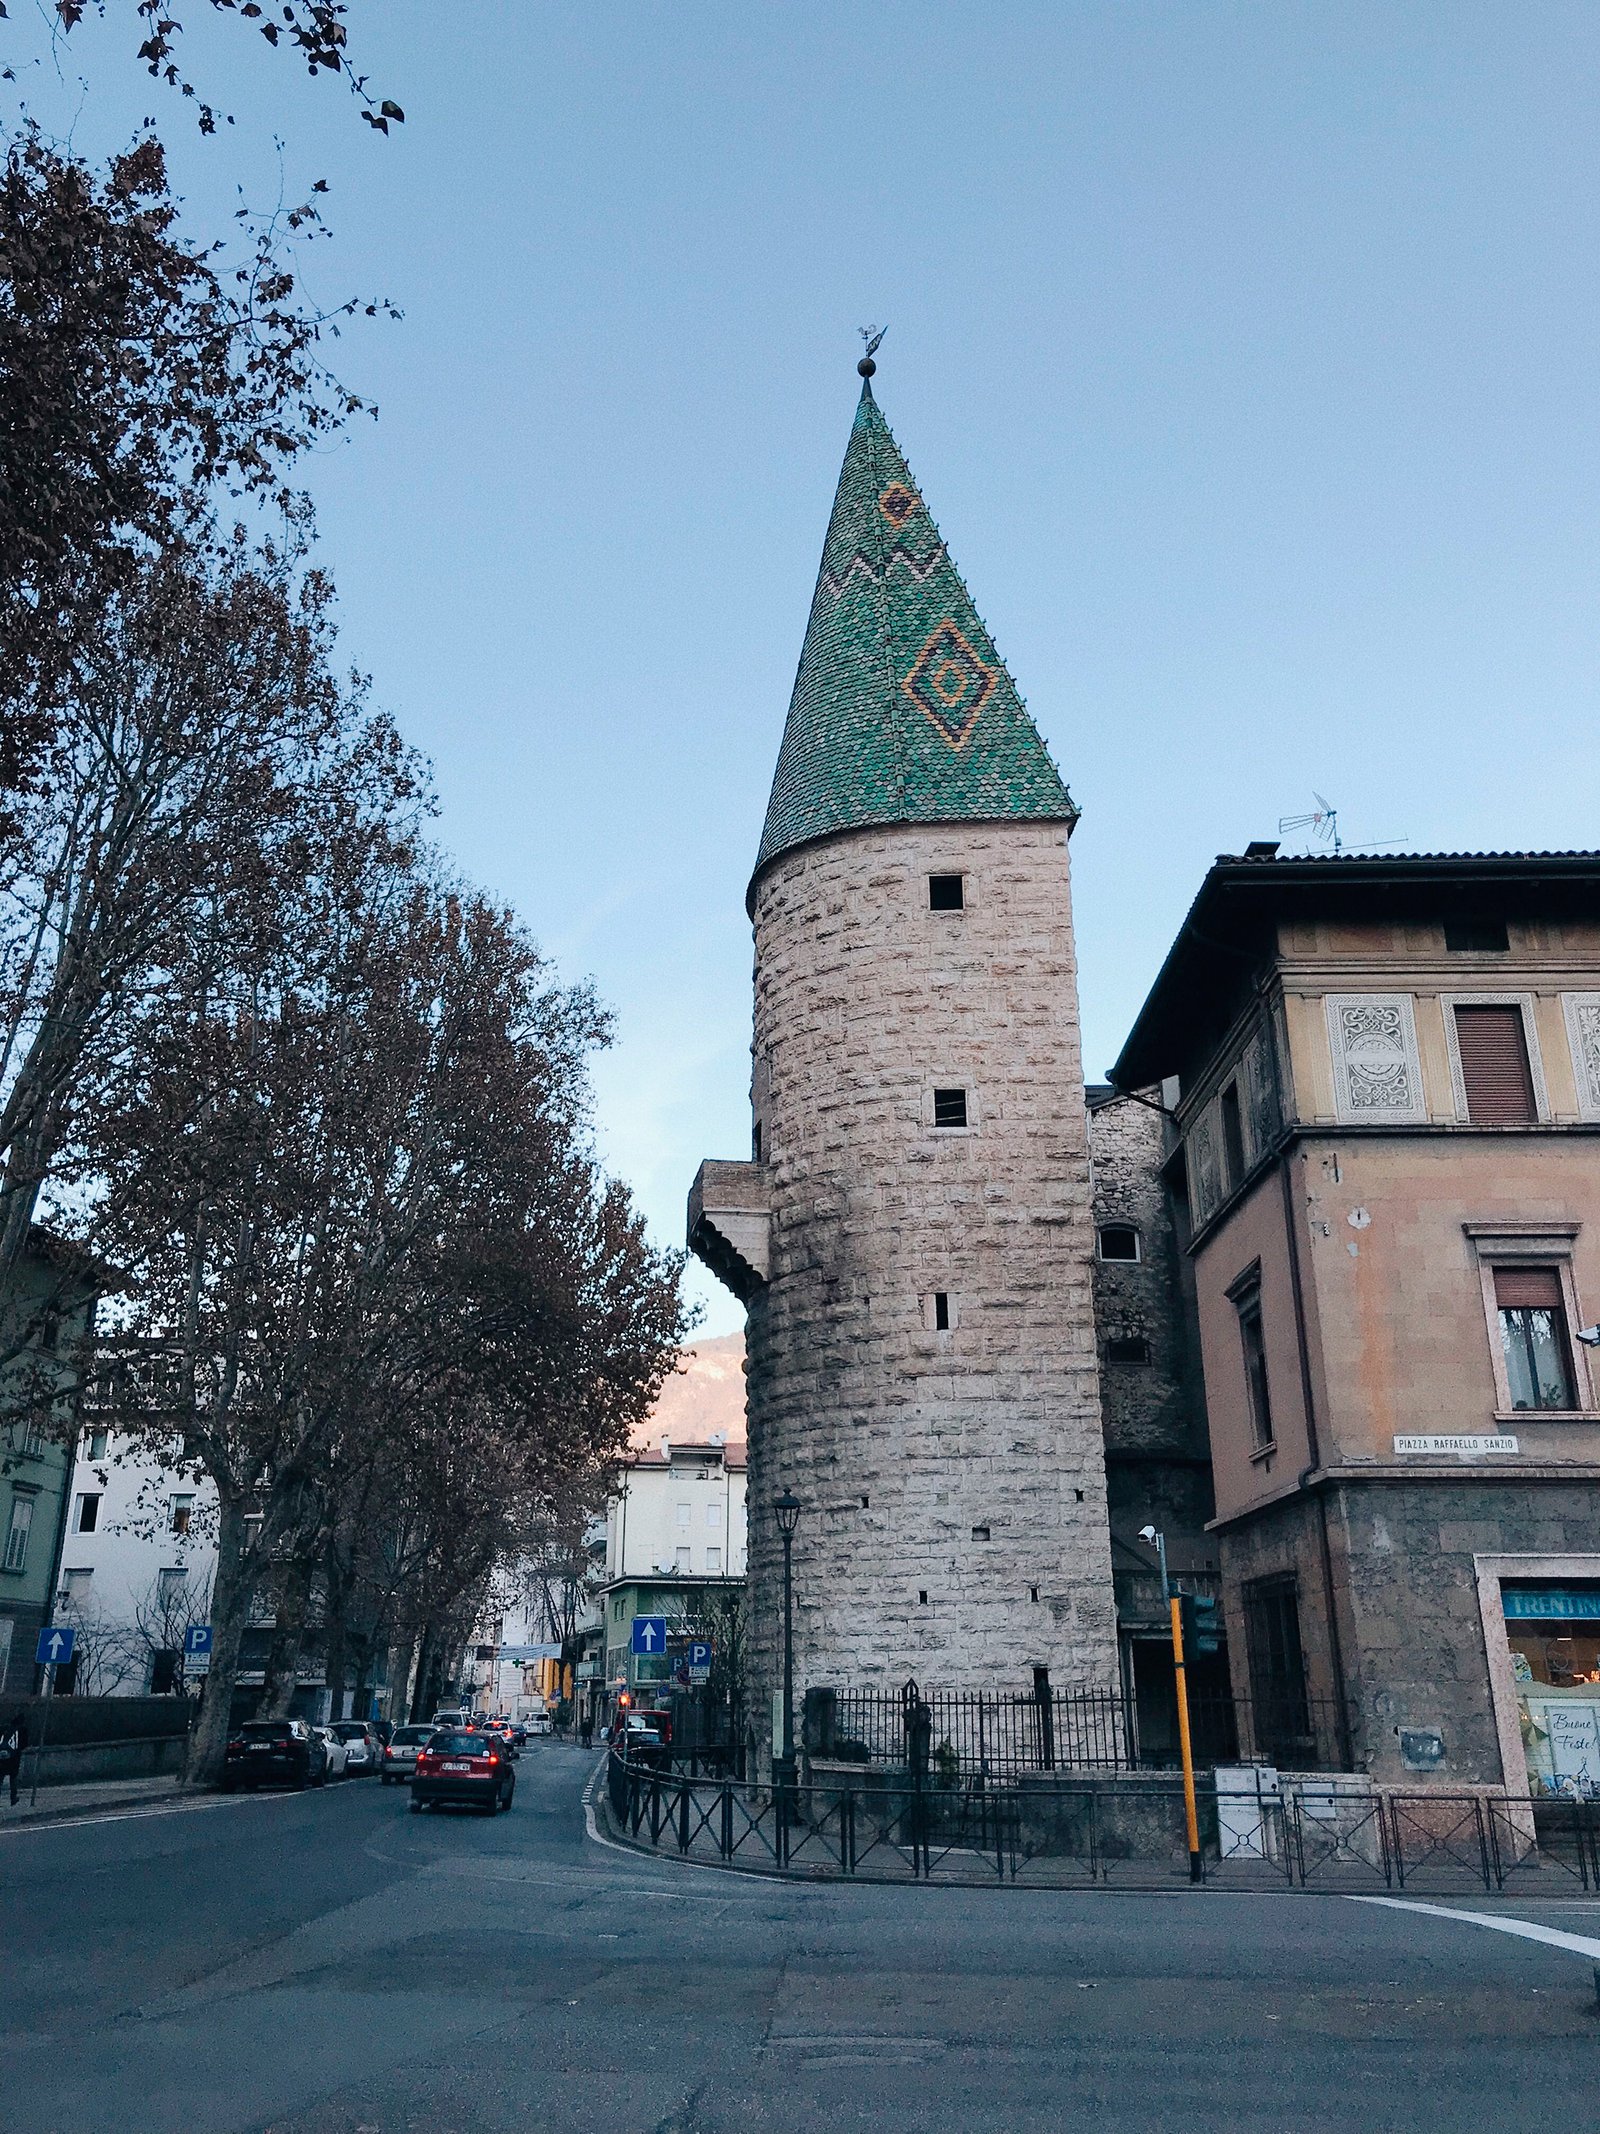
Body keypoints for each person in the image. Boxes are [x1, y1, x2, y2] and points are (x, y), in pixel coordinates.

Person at [0, 1711, 26, 1806]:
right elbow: (24, 1744)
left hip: (1, 1756)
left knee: (0, 1777)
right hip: (14, 1757)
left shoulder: (4, 1728)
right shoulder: (22, 1729)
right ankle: (13, 1798)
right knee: (13, 1778)